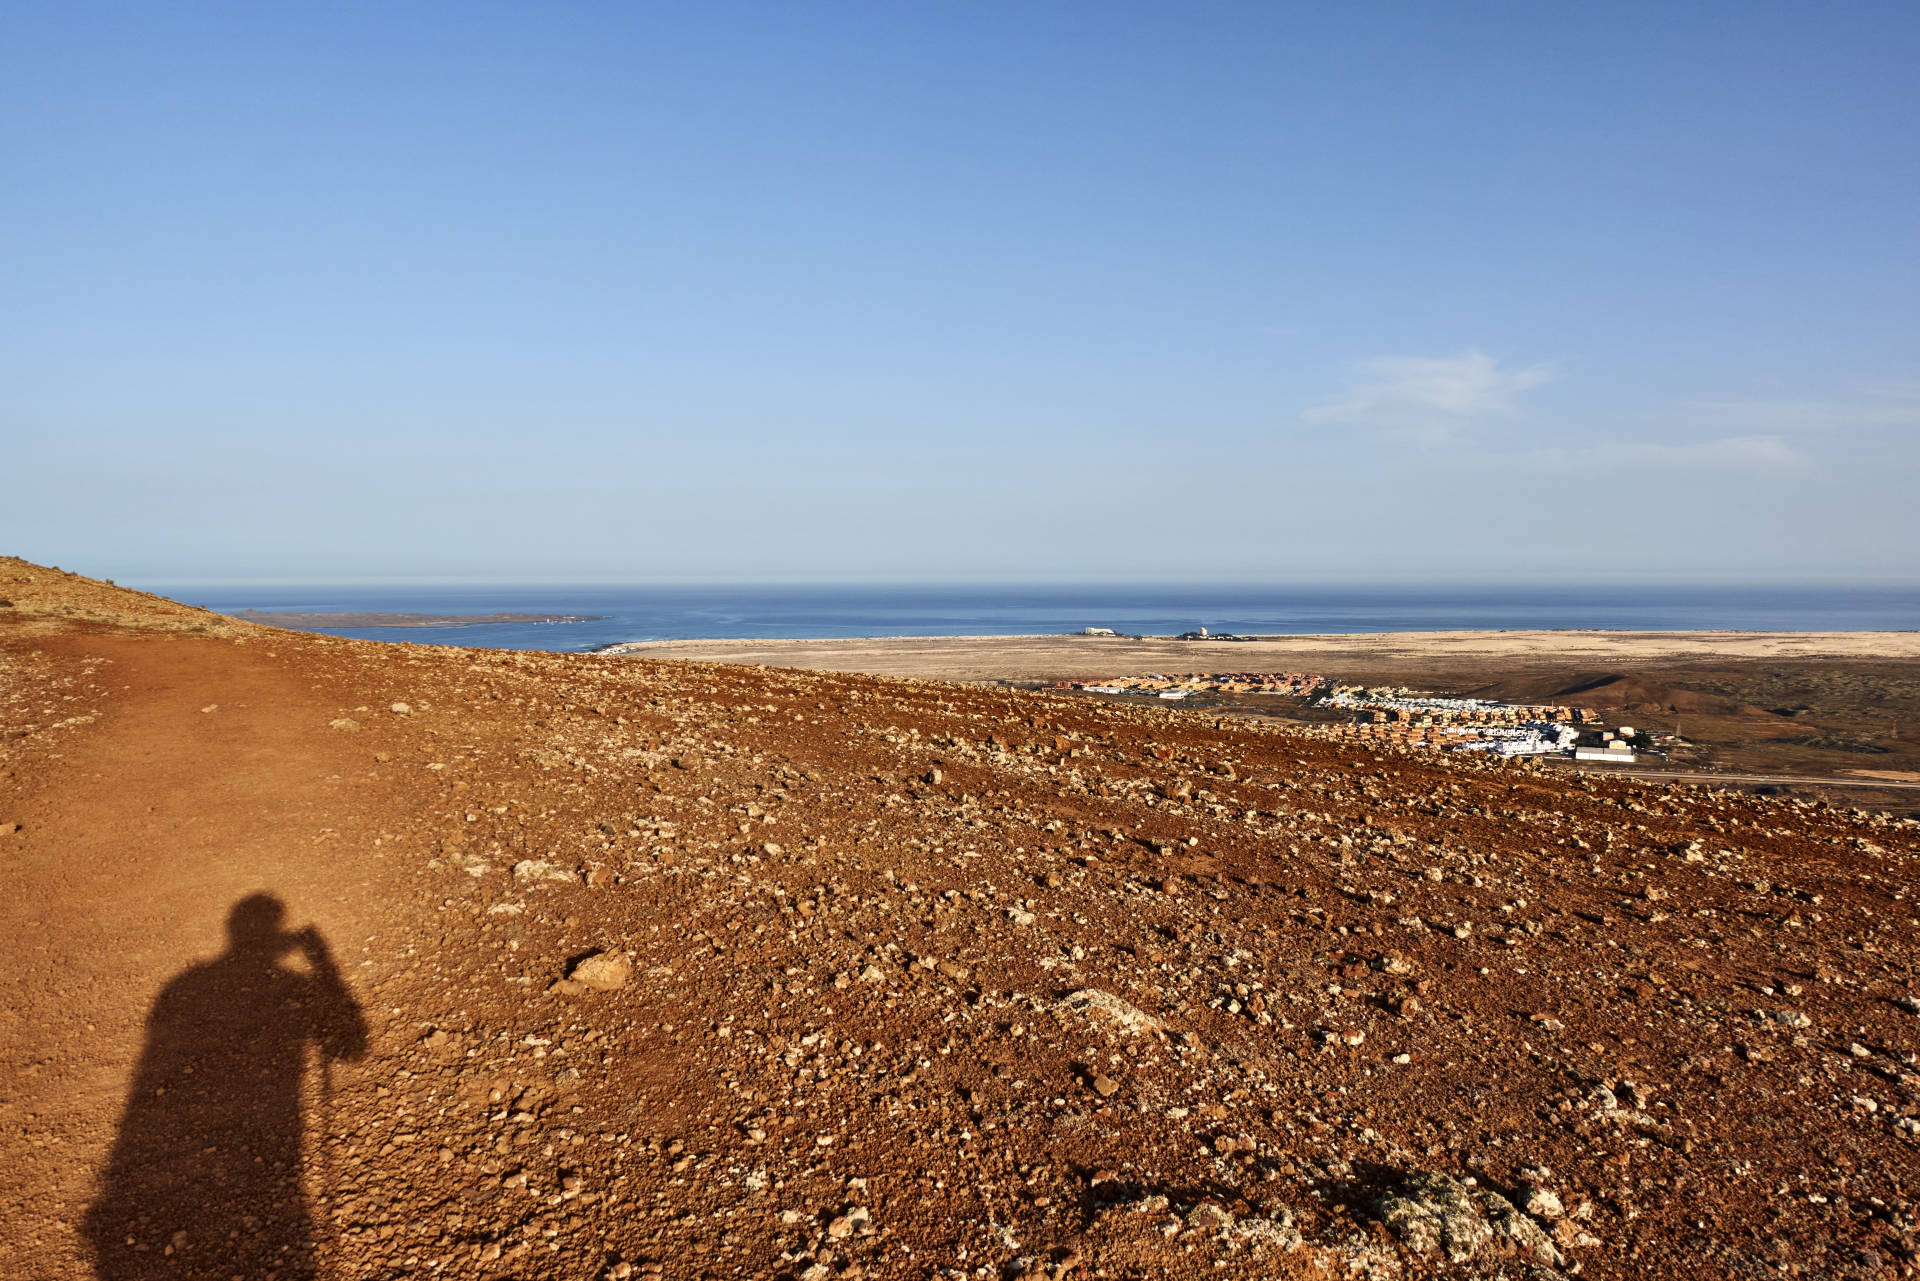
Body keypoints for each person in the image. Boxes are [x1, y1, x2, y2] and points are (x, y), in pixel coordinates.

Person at [85, 894, 367, 1280]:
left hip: (184, 1159)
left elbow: (145, 1076)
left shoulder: (182, 987)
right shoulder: (291, 983)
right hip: (277, 1154)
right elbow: (351, 1050)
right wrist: (324, 965)